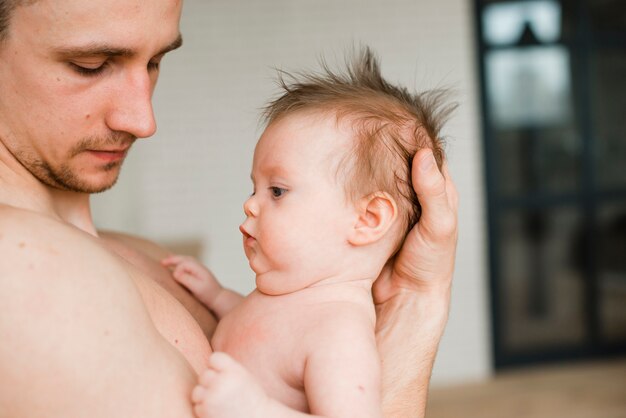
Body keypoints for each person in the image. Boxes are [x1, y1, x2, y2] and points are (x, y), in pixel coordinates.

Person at [0, 0, 458, 417]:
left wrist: (414, 303)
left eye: (156, 61)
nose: (144, 120)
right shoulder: (23, 272)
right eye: (91, 65)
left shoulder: (137, 253)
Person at [161, 47, 455, 418]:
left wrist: (253, 409)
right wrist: (217, 297)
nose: (250, 204)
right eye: (255, 188)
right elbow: (262, 337)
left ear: (367, 219)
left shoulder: (339, 334)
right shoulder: (293, 296)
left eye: (277, 191)